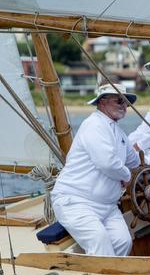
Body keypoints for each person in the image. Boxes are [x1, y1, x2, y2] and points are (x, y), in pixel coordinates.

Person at [50, 84, 139, 256]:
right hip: (77, 202)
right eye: (119, 100)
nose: (124, 105)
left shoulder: (119, 134)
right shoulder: (93, 125)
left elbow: (134, 161)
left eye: (126, 102)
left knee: (124, 242)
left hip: (108, 206)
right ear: (102, 103)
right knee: (100, 242)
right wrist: (127, 175)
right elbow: (107, 163)